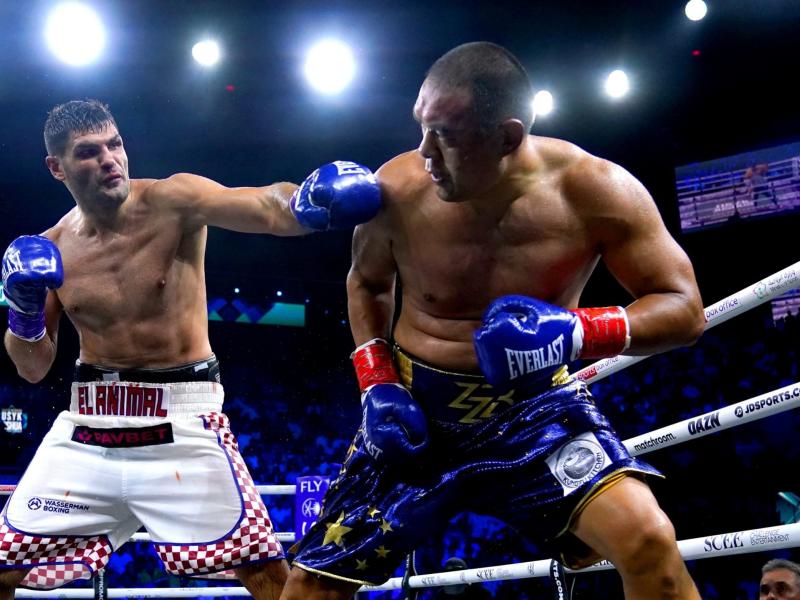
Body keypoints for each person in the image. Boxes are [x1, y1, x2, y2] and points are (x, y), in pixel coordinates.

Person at [282, 42, 705, 600]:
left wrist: (576, 332)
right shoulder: (401, 187)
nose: (424, 152)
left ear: (507, 137)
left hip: (532, 410)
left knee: (650, 540)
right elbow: (366, 283)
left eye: (447, 136)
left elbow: (685, 309)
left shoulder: (593, 191)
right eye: (421, 127)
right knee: (313, 586)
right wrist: (377, 382)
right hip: (417, 413)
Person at [0, 99, 382, 600]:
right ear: (57, 167)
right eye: (89, 152)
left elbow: (265, 207)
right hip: (87, 427)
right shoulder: (50, 248)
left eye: (114, 144)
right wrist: (24, 311)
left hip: (183, 421)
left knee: (265, 571)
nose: (110, 159)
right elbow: (32, 368)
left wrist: (306, 202)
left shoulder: (173, 200)